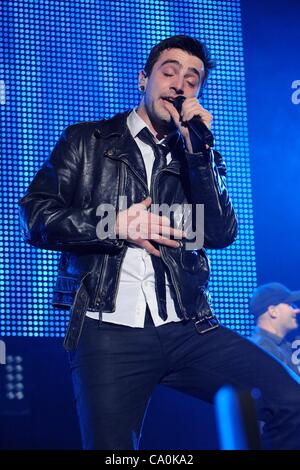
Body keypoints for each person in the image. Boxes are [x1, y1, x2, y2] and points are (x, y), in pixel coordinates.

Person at [19, 35, 300, 450]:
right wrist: (113, 224)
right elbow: (37, 216)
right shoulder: (87, 141)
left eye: (193, 79)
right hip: (107, 329)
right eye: (169, 72)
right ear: (143, 79)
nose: (180, 85)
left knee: (291, 401)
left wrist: (198, 156)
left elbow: (220, 233)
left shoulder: (197, 154)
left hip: (189, 328)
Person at [250, 282, 300, 376]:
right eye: (289, 305)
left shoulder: (286, 346)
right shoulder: (261, 349)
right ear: (273, 311)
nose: (297, 310)